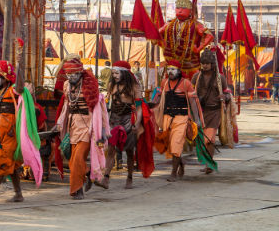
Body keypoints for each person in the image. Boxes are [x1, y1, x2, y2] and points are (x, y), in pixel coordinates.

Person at [0, 60, 41, 204]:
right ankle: (18, 194)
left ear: (6, 78)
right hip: (0, 135)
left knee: (1, 161)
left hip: (11, 135)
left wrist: (20, 64)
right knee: (13, 166)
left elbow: (21, 86)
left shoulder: (13, 91)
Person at [54, 58, 109, 200]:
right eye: (68, 74)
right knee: (72, 160)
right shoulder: (66, 85)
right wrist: (60, 123)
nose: (70, 77)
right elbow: (66, 106)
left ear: (80, 73)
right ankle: (90, 172)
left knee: (78, 158)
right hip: (73, 126)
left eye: (74, 74)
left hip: (88, 127)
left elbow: (99, 110)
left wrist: (101, 131)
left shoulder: (90, 86)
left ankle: (77, 190)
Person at [97, 61, 146, 190]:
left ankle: (129, 177)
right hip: (114, 119)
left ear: (124, 72)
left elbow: (139, 108)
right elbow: (107, 103)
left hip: (128, 120)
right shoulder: (111, 85)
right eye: (113, 73)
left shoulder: (134, 86)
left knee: (130, 151)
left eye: (117, 73)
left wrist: (137, 123)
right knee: (111, 149)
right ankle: (106, 178)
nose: (114, 75)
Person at [154, 60, 202, 182]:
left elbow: (193, 102)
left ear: (179, 71)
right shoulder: (164, 82)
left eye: (173, 69)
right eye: (168, 69)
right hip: (167, 118)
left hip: (182, 118)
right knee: (171, 146)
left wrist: (197, 120)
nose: (170, 71)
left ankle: (173, 173)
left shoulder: (186, 83)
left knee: (176, 144)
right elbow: (158, 99)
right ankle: (180, 164)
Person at [192, 49, 231, 174]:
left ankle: (209, 164)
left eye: (207, 63)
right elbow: (190, 92)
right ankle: (207, 163)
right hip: (200, 112)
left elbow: (228, 93)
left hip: (214, 112)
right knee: (202, 141)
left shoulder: (220, 78)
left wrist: (224, 97)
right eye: (203, 63)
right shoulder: (196, 77)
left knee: (210, 140)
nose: (205, 65)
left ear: (212, 64)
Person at [159, 0, 214, 79]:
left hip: (191, 65)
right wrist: (163, 44)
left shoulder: (195, 25)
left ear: (190, 11)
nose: (180, 11)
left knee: (195, 84)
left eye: (183, 8)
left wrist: (198, 49)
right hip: (173, 65)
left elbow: (209, 36)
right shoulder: (169, 24)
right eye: (178, 8)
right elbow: (157, 34)